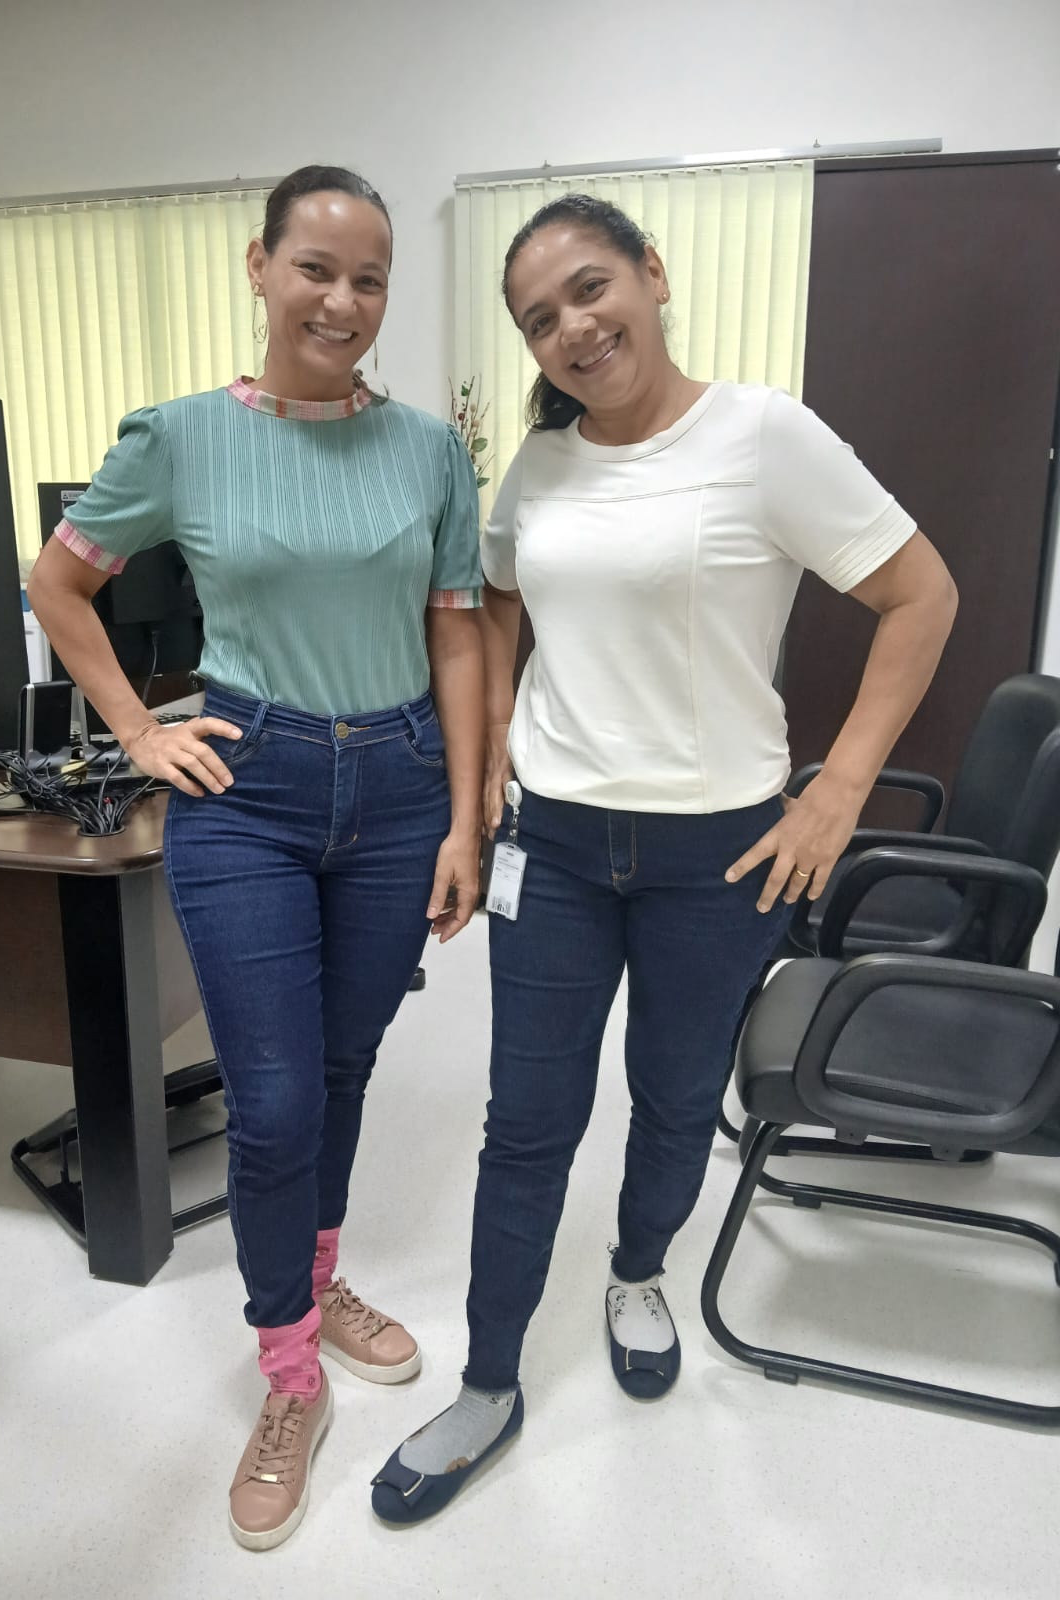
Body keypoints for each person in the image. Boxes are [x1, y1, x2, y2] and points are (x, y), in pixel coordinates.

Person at [371, 193, 957, 1522]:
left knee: (679, 1097)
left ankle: (638, 1272)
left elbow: (920, 593)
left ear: (653, 272)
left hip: (722, 854)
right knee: (527, 1120)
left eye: (591, 289)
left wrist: (839, 791)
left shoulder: (764, 436)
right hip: (556, 846)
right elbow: (500, 595)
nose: (573, 330)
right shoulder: (543, 465)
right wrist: (499, 735)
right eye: (540, 319)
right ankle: (489, 1380)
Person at [27, 165, 485, 1552]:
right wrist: (135, 731)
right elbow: (60, 582)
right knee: (275, 1103)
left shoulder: (430, 451)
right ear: (260, 266)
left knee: (341, 1072)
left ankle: (315, 1275)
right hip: (249, 790)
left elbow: (456, 629)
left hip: (399, 787)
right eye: (316, 269)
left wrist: (467, 815)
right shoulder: (178, 438)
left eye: (369, 279)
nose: (342, 301)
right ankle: (289, 1371)